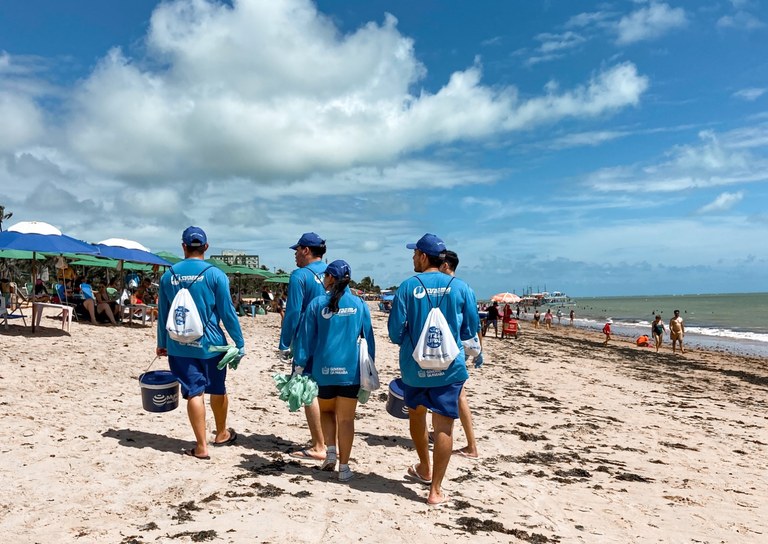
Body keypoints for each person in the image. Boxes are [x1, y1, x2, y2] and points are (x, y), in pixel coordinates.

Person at [388, 233, 479, 505]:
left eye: (414, 254)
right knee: (444, 427)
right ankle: (436, 490)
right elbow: (470, 329)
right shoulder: (461, 287)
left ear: (424, 256)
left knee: (417, 417)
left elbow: (394, 333)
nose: (412, 258)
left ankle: (424, 467)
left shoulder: (407, 287)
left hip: (415, 368)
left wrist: (412, 337)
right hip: (450, 368)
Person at [156, 226, 245, 460]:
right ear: (206, 247)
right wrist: (239, 341)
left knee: (194, 392)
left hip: (179, 344)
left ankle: (201, 446)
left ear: (183, 246)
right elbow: (228, 312)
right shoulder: (216, 275)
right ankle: (222, 433)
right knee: (218, 388)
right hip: (213, 344)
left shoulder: (168, 276)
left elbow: (163, 313)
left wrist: (161, 342)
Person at [295, 260, 374, 482]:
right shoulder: (359, 305)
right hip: (350, 371)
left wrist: (299, 364)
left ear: (330, 278)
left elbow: (305, 338)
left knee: (327, 413)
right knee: (346, 420)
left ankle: (330, 453)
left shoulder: (316, 304)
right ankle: (345, 467)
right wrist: (370, 368)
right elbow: (369, 339)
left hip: (323, 369)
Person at [279, 232, 328, 461]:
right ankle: (329, 442)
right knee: (328, 390)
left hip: (307, 340)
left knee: (309, 389)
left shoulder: (299, 276)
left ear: (306, 250)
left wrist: (284, 342)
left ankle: (319, 445)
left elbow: (293, 312)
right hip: (333, 340)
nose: (295, 256)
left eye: (297, 251)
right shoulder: (333, 273)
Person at [439, 250, 480, 459]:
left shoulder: (457, 288)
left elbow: (471, 324)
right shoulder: (463, 288)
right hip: (453, 348)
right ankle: (448, 433)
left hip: (453, 349)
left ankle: (471, 445)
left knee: (460, 395)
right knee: (455, 394)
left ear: (446, 265)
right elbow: (473, 324)